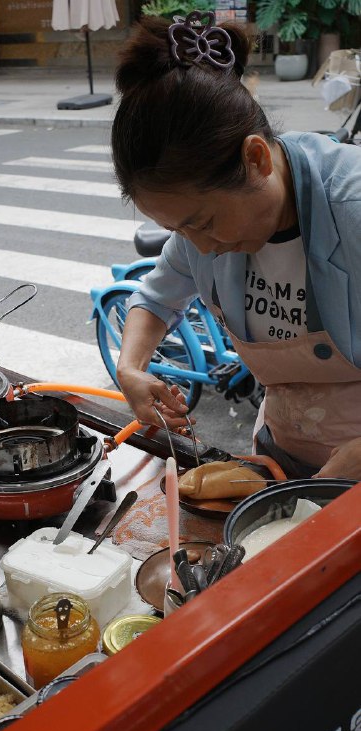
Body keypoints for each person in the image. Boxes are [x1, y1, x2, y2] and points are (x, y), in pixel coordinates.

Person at [111, 11, 361, 480]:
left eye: (204, 223)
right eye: (181, 231)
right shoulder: (198, 236)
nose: (202, 248)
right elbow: (155, 297)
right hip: (282, 452)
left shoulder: (353, 206)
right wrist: (131, 368)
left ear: (255, 158)